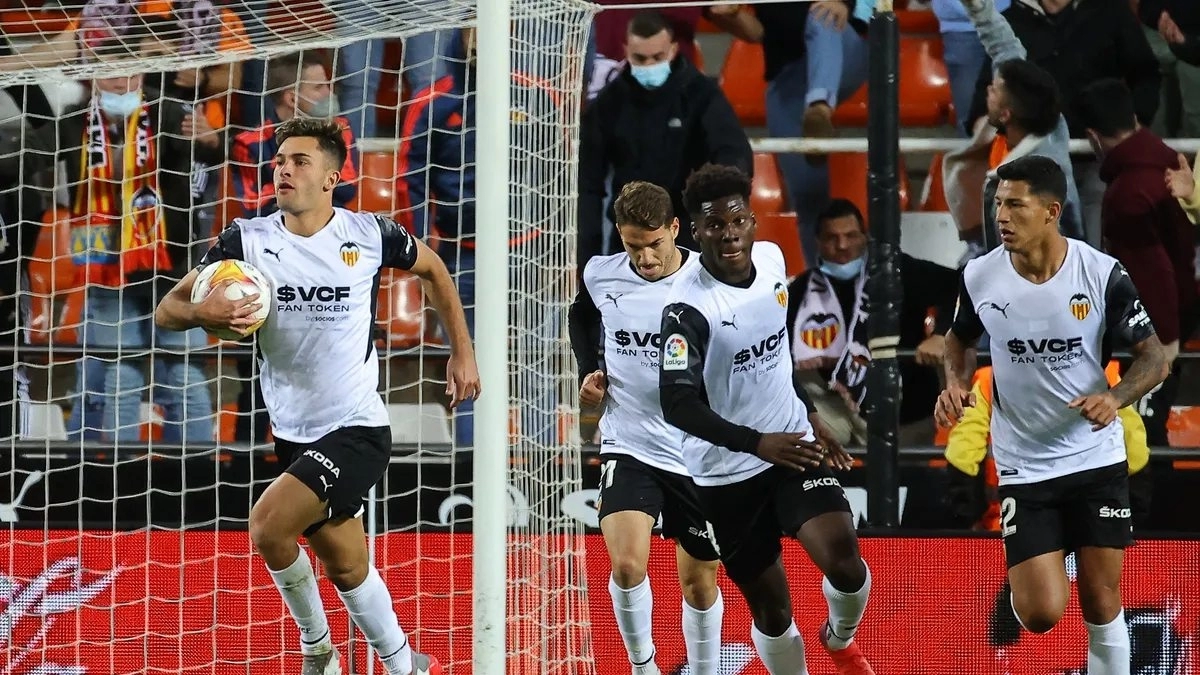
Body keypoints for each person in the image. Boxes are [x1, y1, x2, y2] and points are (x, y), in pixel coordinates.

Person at [154, 118, 479, 675]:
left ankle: (318, 651)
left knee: (267, 526)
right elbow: (167, 310)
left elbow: (434, 269)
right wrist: (204, 311)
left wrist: (462, 353)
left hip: (357, 428)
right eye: (280, 160)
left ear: (332, 177)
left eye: (300, 161)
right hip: (291, 432)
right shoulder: (246, 241)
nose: (283, 169)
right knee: (347, 566)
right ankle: (407, 664)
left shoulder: (370, 234)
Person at [936, 155, 1169, 675]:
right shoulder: (980, 276)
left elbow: (1155, 359)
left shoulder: (1101, 274)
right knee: (1041, 613)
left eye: (1016, 205)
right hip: (1025, 464)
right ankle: (1039, 559)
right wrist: (955, 383)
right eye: (998, 204)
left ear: (1051, 212)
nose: (1002, 216)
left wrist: (1115, 398)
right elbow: (958, 340)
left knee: (1102, 602)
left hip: (1094, 457)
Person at [658, 163, 874, 675]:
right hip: (726, 473)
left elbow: (776, 355)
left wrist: (811, 414)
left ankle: (840, 639)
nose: (729, 233)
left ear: (753, 220)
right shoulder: (686, 310)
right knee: (773, 613)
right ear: (696, 232)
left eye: (738, 220)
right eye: (714, 224)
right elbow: (677, 403)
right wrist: (757, 443)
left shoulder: (774, 260)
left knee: (846, 564)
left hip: (792, 445)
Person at [568, 181, 723, 675]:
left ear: (675, 229)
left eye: (654, 244)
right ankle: (643, 667)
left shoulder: (710, 279)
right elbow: (582, 317)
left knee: (699, 584)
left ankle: (703, 670)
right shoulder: (601, 274)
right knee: (627, 565)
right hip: (629, 442)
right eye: (634, 246)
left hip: (698, 453)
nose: (645, 258)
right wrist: (588, 371)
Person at [1075, 77, 1198, 448]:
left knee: (1142, 437)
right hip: (1177, 314)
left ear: (1093, 137)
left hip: (1155, 334)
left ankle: (1151, 491)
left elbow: (1153, 273)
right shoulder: (1167, 161)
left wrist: (1161, 347)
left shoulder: (1128, 194)